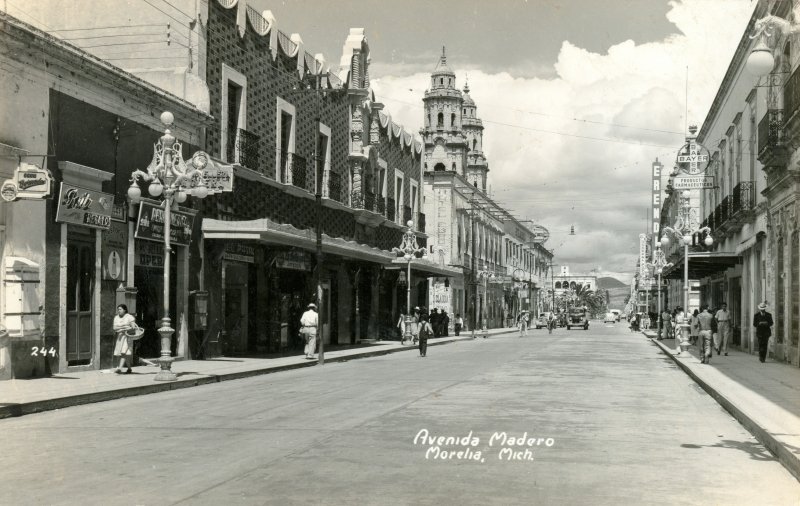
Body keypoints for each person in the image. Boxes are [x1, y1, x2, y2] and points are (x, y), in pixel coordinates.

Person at [112, 304, 137, 374]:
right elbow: (114, 328)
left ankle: (120, 368)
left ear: (124, 310)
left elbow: (133, 327)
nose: (118, 311)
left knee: (124, 352)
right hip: (120, 337)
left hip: (127, 337)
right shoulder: (116, 318)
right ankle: (129, 368)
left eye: (120, 309)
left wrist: (121, 329)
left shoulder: (129, 317)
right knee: (122, 353)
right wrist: (125, 327)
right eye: (118, 309)